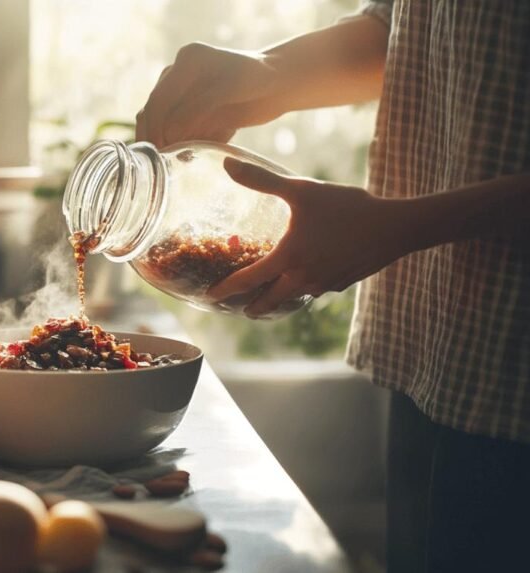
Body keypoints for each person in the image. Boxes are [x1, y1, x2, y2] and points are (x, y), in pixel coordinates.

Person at [135, 1, 529, 571]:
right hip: (433, 356)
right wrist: (269, 70)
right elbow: (405, 27)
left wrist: (400, 225)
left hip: (516, 384)